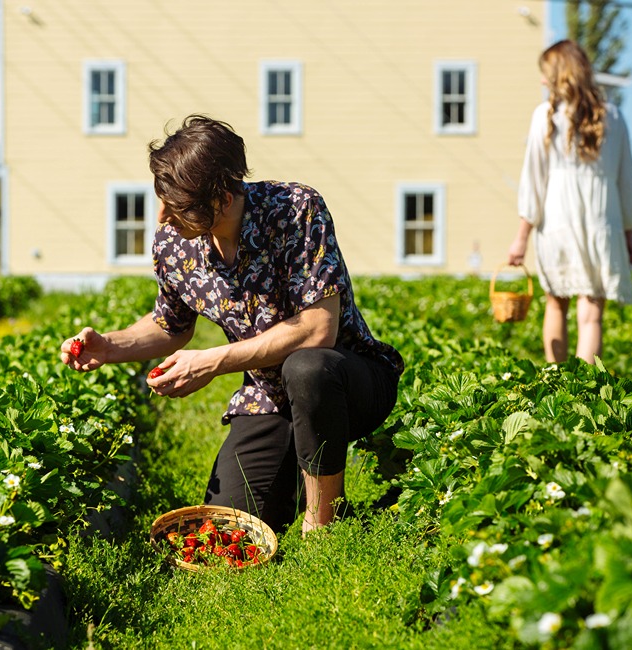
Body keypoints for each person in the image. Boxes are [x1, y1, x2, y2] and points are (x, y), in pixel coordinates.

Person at [60, 115, 403, 536]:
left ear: (222, 198)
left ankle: (324, 522)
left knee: (307, 368)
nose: (163, 216)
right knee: (230, 527)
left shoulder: (296, 209)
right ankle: (301, 474)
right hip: (269, 397)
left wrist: (213, 361)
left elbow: (317, 329)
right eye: (161, 199)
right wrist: (110, 346)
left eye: (177, 204)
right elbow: (171, 325)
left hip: (348, 381)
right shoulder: (174, 243)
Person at [508, 39, 632, 364]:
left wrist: (521, 237)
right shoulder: (614, 116)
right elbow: (627, 181)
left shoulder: (545, 116)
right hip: (603, 223)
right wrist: (629, 233)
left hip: (557, 222)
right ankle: (584, 386)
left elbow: (533, 180)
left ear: (559, 76)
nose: (542, 81)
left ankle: (556, 382)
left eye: (545, 74)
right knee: (592, 314)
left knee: (556, 304)